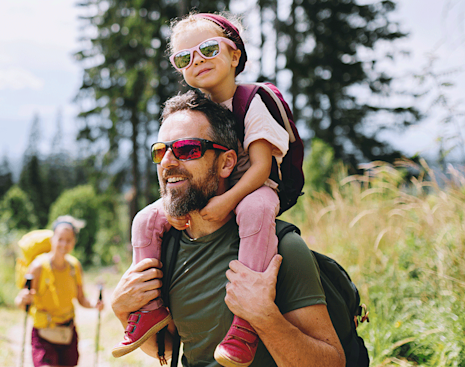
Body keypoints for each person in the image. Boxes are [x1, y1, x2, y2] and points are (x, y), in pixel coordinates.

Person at [111, 90, 346, 367]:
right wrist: (122, 310)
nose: (168, 162)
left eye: (187, 149)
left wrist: (263, 317)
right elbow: (168, 349)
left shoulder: (283, 249)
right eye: (161, 151)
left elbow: (333, 362)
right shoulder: (168, 248)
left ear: (226, 163)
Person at [113, 12, 290, 367]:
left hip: (255, 188)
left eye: (208, 49)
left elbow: (261, 167)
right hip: (218, 192)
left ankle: (245, 322)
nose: (197, 61)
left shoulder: (253, 101)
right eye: (184, 57)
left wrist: (226, 201)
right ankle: (148, 308)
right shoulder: (200, 109)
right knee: (146, 220)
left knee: (255, 211)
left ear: (235, 55)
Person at [14, 215, 104, 367]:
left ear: (74, 242)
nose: (64, 244)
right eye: (60, 239)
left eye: (69, 240)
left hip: (68, 334)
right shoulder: (38, 267)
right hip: (43, 335)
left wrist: (95, 304)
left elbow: (81, 299)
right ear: (52, 239)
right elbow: (21, 301)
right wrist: (22, 300)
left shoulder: (75, 267)